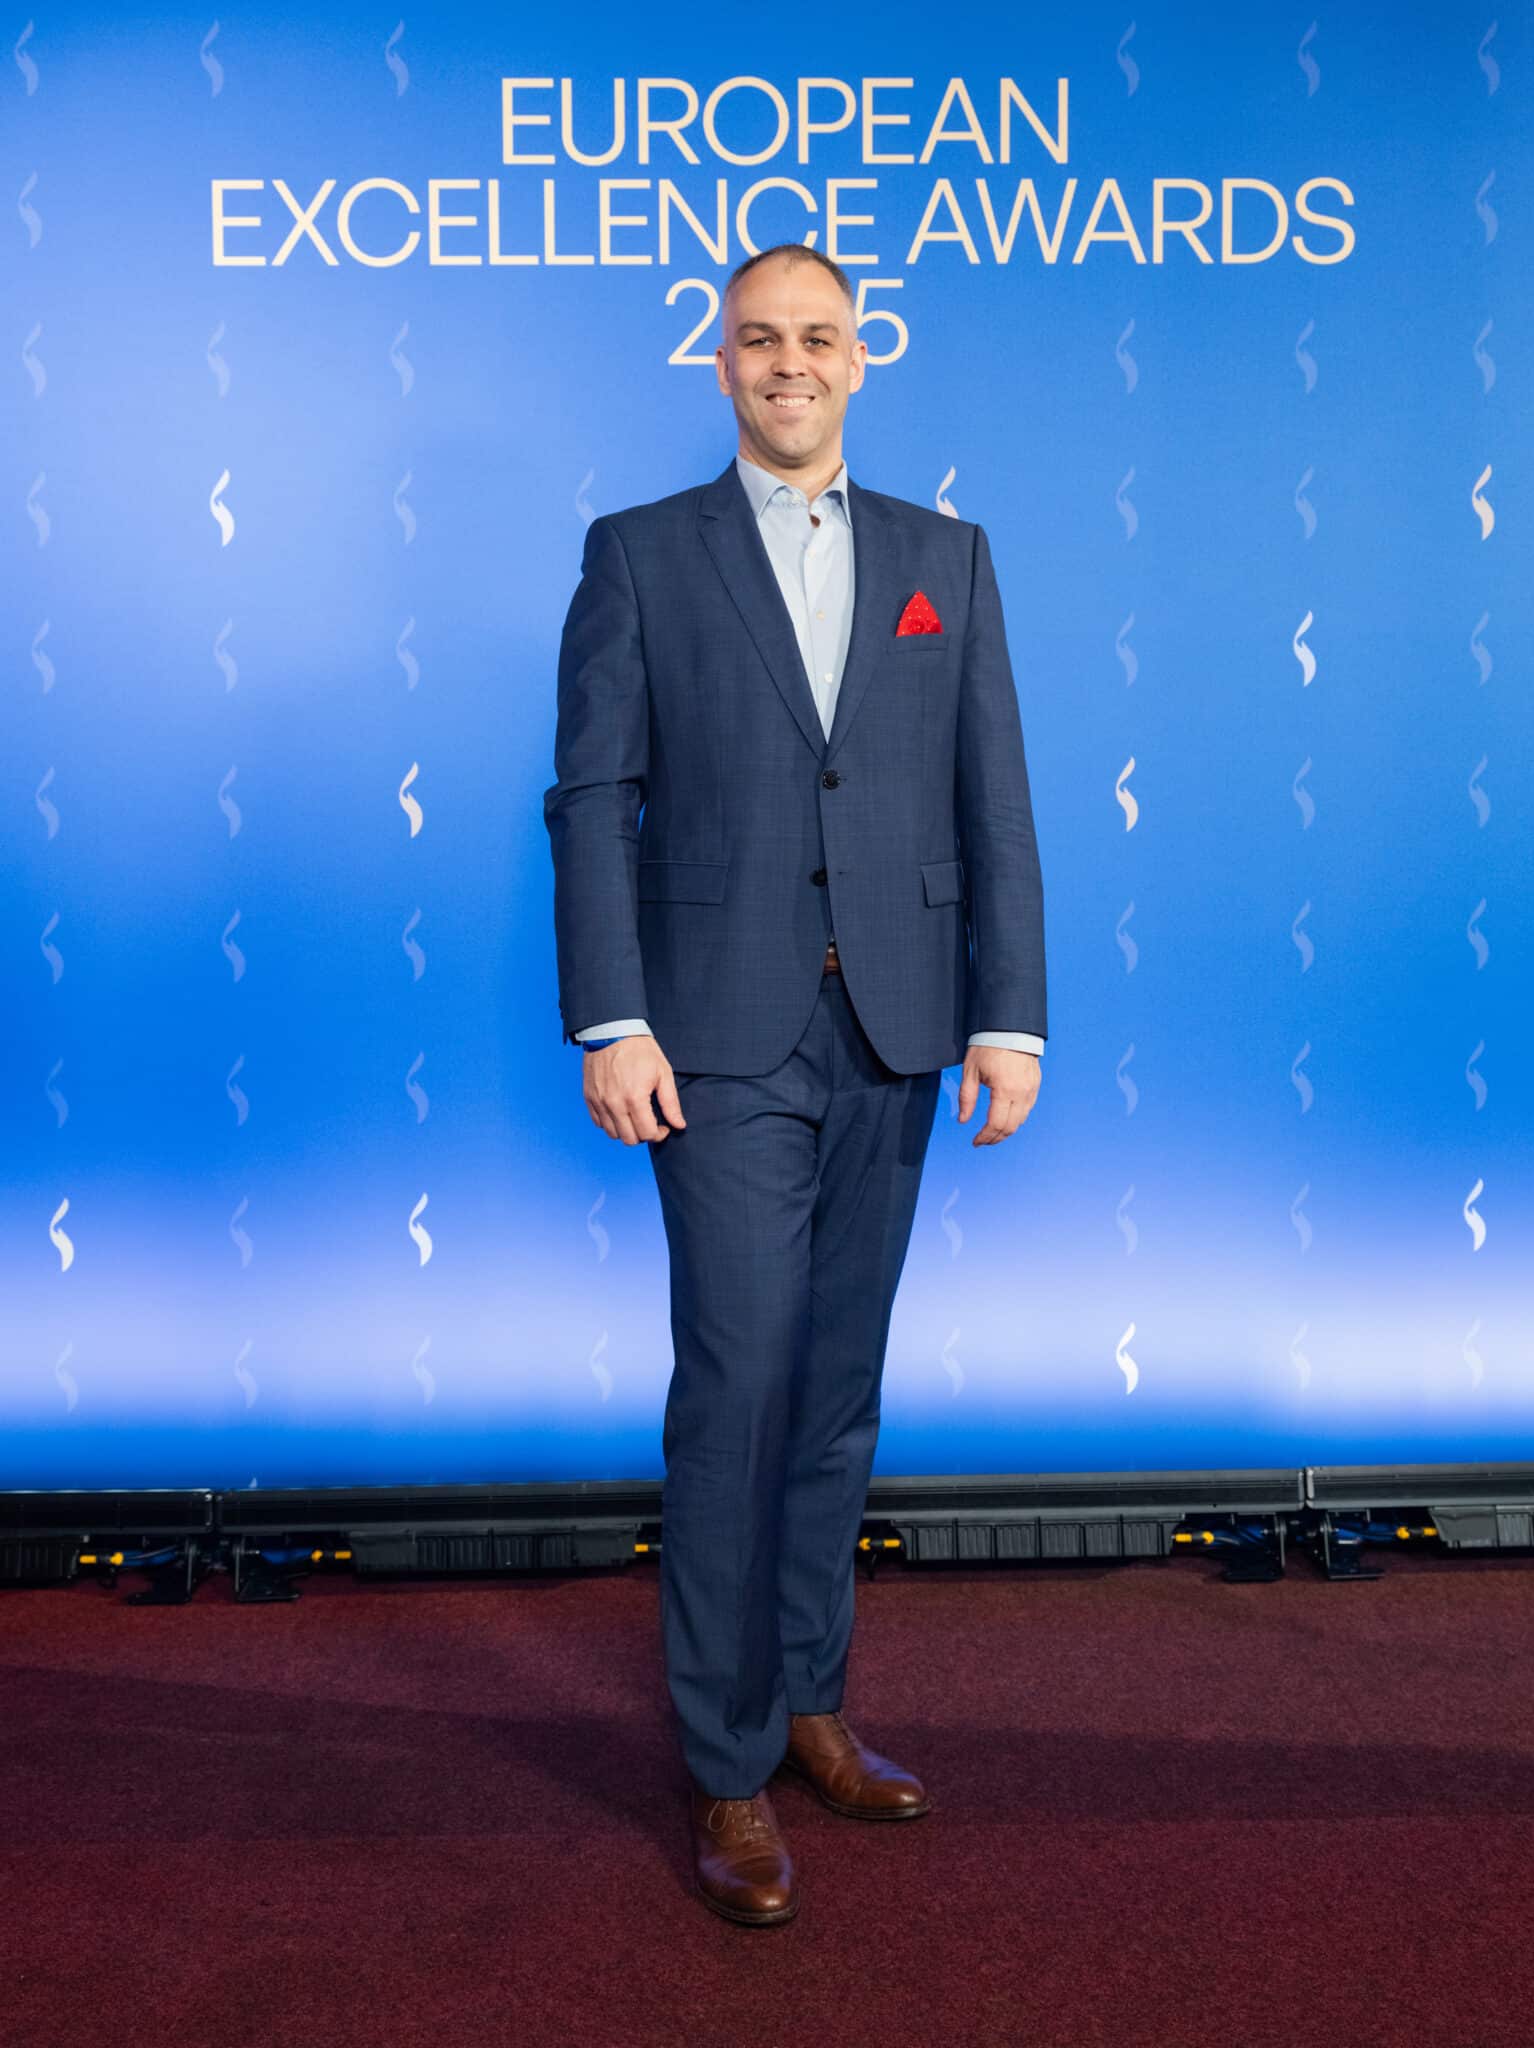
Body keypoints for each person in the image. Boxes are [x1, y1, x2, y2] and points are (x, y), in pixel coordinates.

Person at [543, 242, 1047, 1927]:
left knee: (835, 1392)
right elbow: (591, 798)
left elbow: (993, 799)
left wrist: (1010, 1019)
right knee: (739, 1382)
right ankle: (727, 1762)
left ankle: (813, 1704)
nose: (790, 364)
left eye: (818, 338)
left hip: (900, 1029)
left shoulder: (945, 557)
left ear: (860, 356)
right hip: (712, 1038)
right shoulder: (637, 553)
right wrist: (611, 1019)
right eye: (760, 339)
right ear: (721, 363)